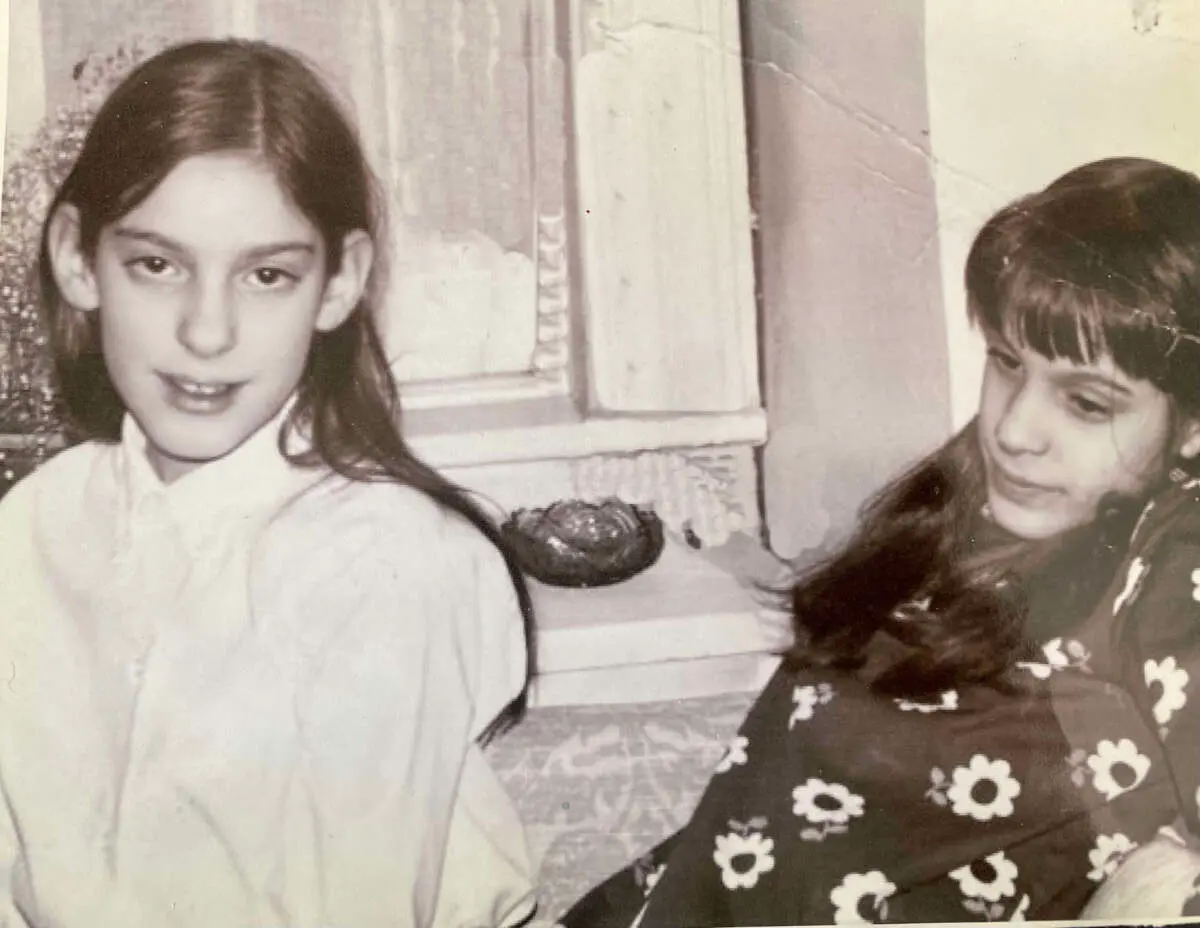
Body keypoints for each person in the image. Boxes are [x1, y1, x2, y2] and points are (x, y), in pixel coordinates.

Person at [560, 157, 1200, 926]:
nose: (1014, 429)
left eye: (1088, 404)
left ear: (1192, 427)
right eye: (1006, 362)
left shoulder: (1176, 554)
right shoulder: (1013, 511)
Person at [0, 39, 538, 927]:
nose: (206, 331)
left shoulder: (389, 563)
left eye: (266, 275)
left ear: (338, 285)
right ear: (75, 258)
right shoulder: (32, 529)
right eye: (157, 265)